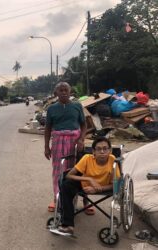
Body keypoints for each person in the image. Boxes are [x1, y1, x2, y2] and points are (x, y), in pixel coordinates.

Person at [57, 137, 120, 235]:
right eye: (98, 149)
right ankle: (68, 224)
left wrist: (98, 189)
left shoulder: (113, 161)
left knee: (65, 185)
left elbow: (115, 185)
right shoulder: (87, 158)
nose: (102, 151)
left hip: (103, 187)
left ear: (110, 150)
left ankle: (67, 208)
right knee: (65, 182)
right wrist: (89, 179)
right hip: (84, 184)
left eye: (105, 148)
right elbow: (70, 175)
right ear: (93, 151)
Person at [44, 82, 87, 212]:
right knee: (58, 170)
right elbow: (48, 128)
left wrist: (81, 139)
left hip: (75, 142)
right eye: (60, 90)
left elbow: (84, 125)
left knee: (77, 170)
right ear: (56, 93)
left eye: (66, 90)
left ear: (70, 92)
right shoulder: (51, 109)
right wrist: (46, 147)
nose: (63, 92)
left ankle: (84, 200)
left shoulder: (77, 106)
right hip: (58, 142)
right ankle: (57, 197)